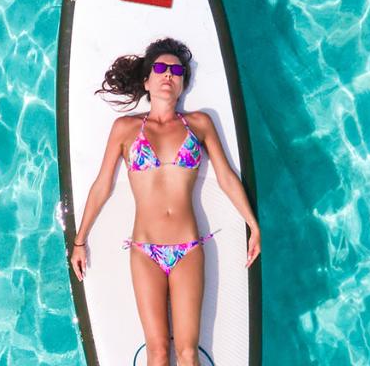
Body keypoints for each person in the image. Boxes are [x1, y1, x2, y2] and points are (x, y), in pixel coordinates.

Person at [68, 38, 261, 366]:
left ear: (183, 81)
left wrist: (253, 226)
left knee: (187, 352)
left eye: (176, 70)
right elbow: (102, 185)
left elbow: (227, 176)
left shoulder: (199, 124)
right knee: (156, 351)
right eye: (160, 68)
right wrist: (79, 240)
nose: (168, 74)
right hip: (145, 250)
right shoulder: (125, 128)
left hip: (188, 248)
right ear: (147, 81)